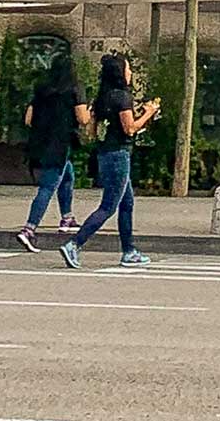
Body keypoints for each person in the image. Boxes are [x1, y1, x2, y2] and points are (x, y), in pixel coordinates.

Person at [60, 52, 159, 270]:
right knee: (109, 206)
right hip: (119, 154)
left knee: (127, 203)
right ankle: (75, 243)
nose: (130, 73)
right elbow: (130, 128)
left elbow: (93, 130)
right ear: (120, 73)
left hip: (105, 152)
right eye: (128, 68)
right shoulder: (123, 97)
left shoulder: (102, 97)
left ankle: (129, 250)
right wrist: (148, 113)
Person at [16, 52, 89, 252]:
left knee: (68, 176)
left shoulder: (42, 88)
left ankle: (67, 217)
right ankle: (29, 229)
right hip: (60, 143)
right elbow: (83, 118)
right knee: (48, 186)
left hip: (40, 141)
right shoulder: (75, 88)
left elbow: (28, 119)